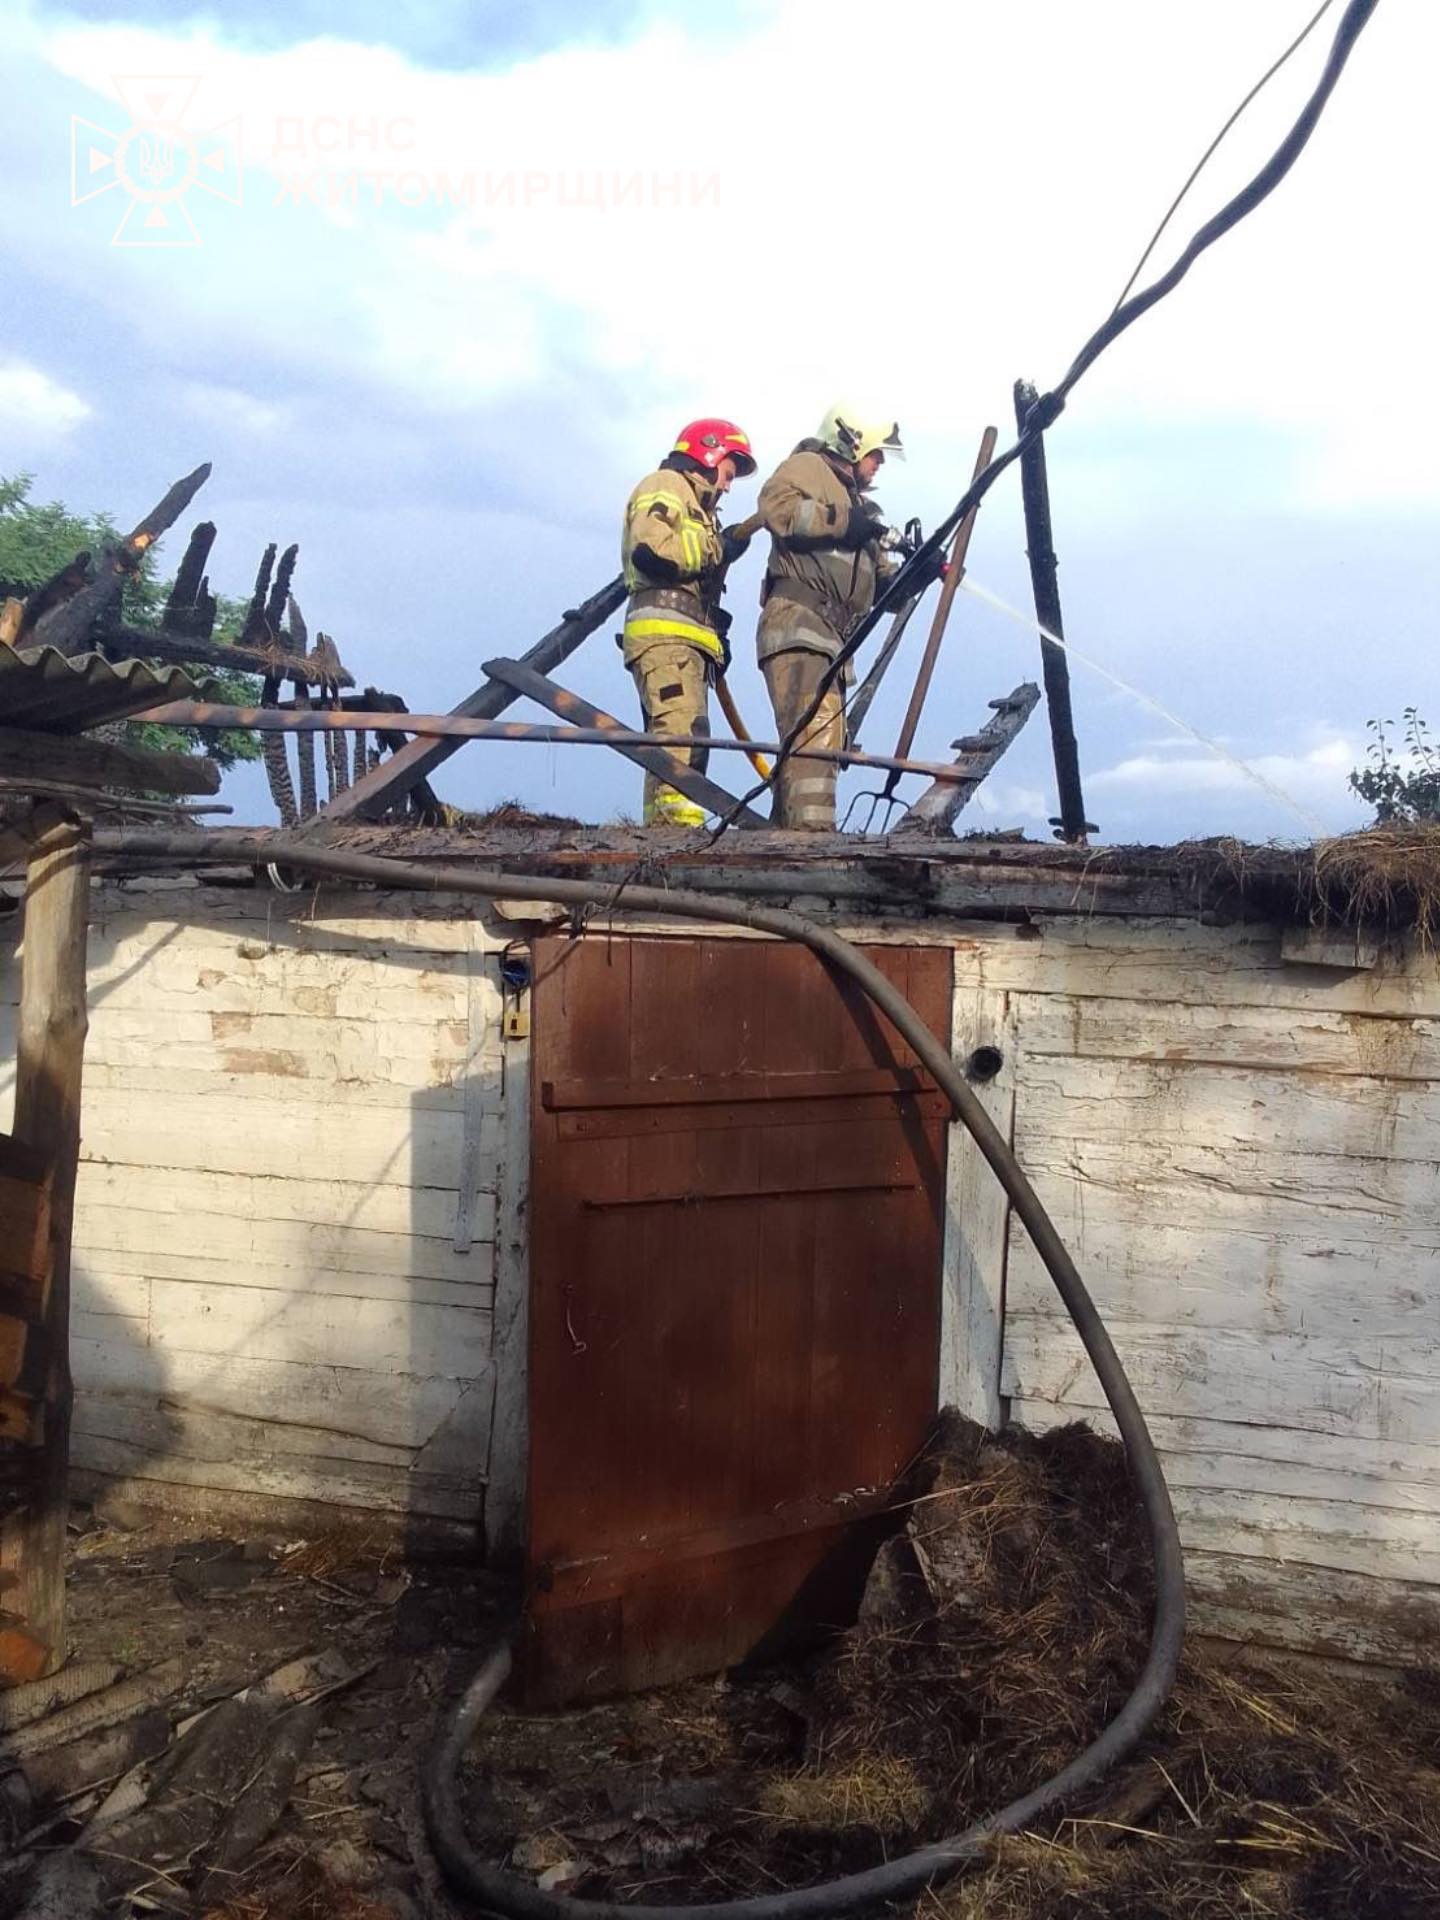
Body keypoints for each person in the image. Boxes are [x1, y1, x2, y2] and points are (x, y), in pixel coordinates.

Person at [756, 404, 906, 830]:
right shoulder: (809, 467)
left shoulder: (859, 506)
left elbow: (885, 590)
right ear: (850, 441)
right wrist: (842, 522)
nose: (878, 465)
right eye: (875, 453)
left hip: (830, 640)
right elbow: (776, 508)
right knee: (815, 744)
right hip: (800, 626)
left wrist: (919, 570)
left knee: (813, 746)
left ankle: (788, 844)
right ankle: (811, 847)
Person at [620, 418, 757, 827]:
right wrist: (719, 548)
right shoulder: (665, 486)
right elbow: (652, 552)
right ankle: (672, 836)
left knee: (687, 737)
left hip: (685, 638)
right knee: (679, 736)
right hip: (664, 634)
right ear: (709, 454)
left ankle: (669, 833)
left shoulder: (698, 507)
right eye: (729, 474)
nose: (729, 486)